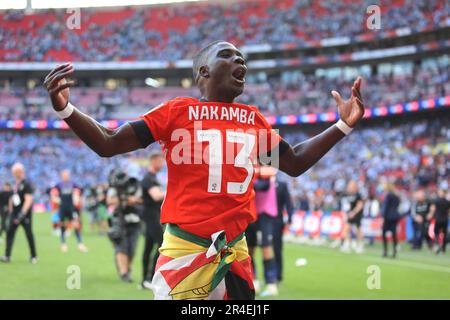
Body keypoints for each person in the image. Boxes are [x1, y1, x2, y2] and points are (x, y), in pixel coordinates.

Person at [43, 40, 365, 300]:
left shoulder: (253, 120)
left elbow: (293, 162)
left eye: (243, 59)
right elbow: (108, 142)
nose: (241, 63)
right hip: (185, 251)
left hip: (234, 254)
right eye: (229, 56)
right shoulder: (176, 112)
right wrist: (65, 109)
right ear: (204, 70)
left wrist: (342, 126)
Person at [246, 165, 279, 297]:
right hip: (250, 215)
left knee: (266, 249)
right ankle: (253, 280)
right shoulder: (250, 167)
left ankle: (270, 282)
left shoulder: (265, 168)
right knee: (249, 250)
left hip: (264, 215)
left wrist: (250, 179)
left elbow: (262, 186)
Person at [106, 171, 143, 283]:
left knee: (132, 249)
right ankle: (124, 274)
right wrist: (124, 199)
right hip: (119, 221)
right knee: (121, 248)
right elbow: (109, 201)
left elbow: (143, 200)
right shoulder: (114, 188)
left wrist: (133, 200)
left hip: (134, 220)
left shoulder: (135, 185)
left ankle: (127, 269)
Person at [0, 163, 37, 264]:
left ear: (20, 172)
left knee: (29, 234)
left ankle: (34, 256)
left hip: (24, 215)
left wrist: (22, 213)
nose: (14, 174)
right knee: (9, 233)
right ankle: (7, 255)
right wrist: (11, 211)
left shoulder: (26, 184)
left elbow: (29, 200)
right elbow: (12, 198)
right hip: (14, 214)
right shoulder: (15, 184)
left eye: (15, 172)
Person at [140, 151, 166, 290]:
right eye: (161, 161)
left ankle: (145, 280)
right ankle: (150, 278)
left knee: (148, 247)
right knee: (162, 245)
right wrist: (171, 192)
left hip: (153, 214)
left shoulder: (153, 178)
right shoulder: (148, 178)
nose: (162, 164)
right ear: (154, 161)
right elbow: (156, 196)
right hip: (151, 216)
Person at [52, 170, 88, 253]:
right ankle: (63, 244)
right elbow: (53, 194)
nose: (65, 177)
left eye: (67, 175)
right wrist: (56, 199)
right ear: (61, 176)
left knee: (76, 224)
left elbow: (80, 192)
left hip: (71, 208)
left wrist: (78, 199)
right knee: (62, 224)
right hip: (62, 208)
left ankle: (80, 244)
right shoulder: (59, 185)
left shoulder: (73, 184)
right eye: (64, 175)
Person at [340, 181, 365, 253]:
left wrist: (354, 212)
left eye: (352, 186)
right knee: (346, 229)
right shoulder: (345, 195)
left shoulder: (358, 195)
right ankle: (347, 244)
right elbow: (344, 206)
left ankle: (360, 246)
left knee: (358, 230)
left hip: (357, 214)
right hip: (349, 214)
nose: (350, 187)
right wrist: (345, 214)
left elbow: (360, 205)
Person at [381, 183, 400, 258]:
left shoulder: (388, 196)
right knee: (394, 234)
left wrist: (383, 216)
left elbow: (386, 207)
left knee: (384, 233)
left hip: (388, 217)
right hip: (395, 216)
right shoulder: (396, 196)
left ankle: (385, 251)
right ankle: (394, 251)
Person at [428, 189, 450, 254]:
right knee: (444, 234)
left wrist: (430, 215)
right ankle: (443, 249)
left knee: (436, 233)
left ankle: (437, 246)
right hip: (445, 220)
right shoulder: (447, 202)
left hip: (438, 219)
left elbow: (432, 208)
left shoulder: (436, 201)